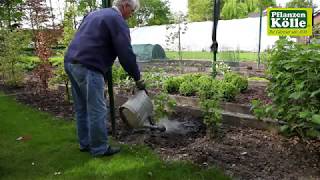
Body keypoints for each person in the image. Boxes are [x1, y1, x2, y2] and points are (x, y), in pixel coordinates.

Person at [64, 0, 145, 157]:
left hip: (71, 63)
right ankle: (100, 148)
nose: (131, 15)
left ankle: (85, 143)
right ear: (125, 6)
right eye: (132, 11)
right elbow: (126, 54)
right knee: (97, 109)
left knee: (82, 108)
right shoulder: (117, 20)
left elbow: (92, 41)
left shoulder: (93, 14)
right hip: (89, 66)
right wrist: (137, 77)